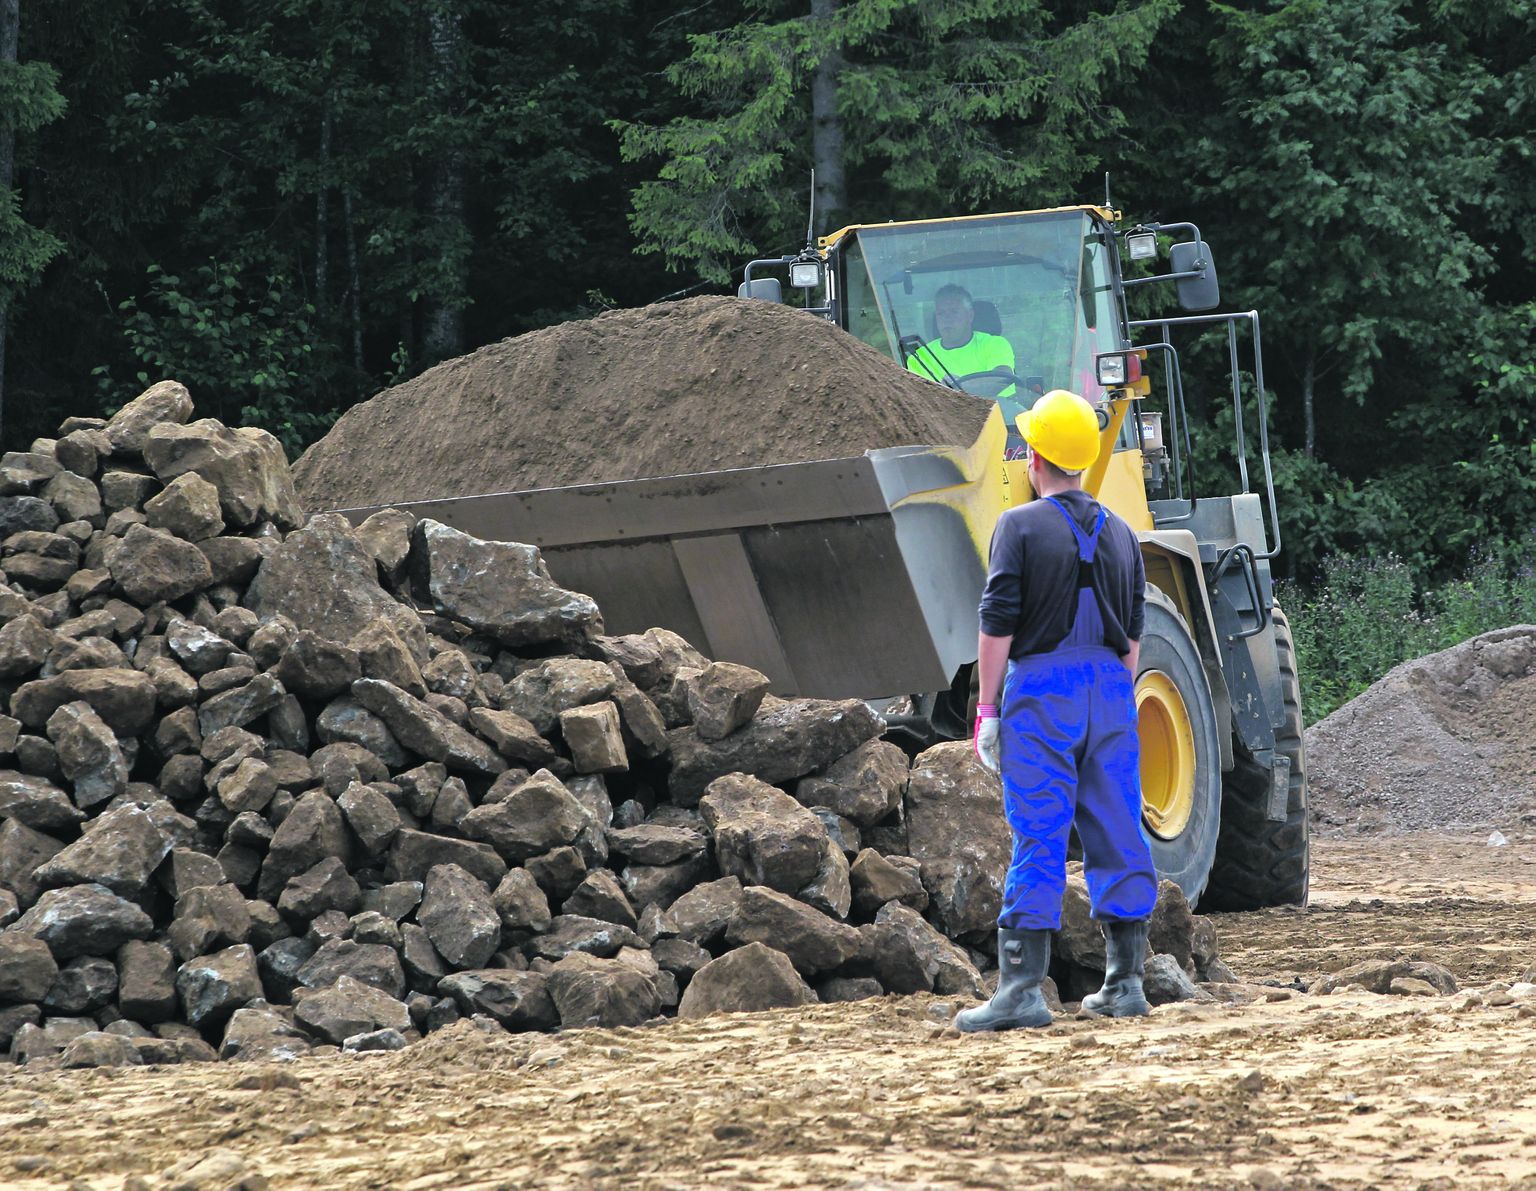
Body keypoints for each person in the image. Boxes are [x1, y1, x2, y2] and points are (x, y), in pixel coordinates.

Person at [958, 388, 1157, 1032]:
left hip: (1043, 692)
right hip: (1110, 690)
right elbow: (1131, 639)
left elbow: (997, 628)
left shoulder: (1018, 526)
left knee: (1039, 834)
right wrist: (1115, 704)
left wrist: (988, 710)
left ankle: (1021, 990)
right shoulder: (1125, 534)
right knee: (1119, 828)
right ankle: (1125, 982)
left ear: (1035, 456)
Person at [905, 284, 1017, 396]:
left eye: (954, 312)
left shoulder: (995, 344)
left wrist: (961, 388)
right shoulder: (919, 358)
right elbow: (917, 400)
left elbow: (1002, 377)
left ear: (970, 315)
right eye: (941, 313)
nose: (946, 319)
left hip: (1001, 411)